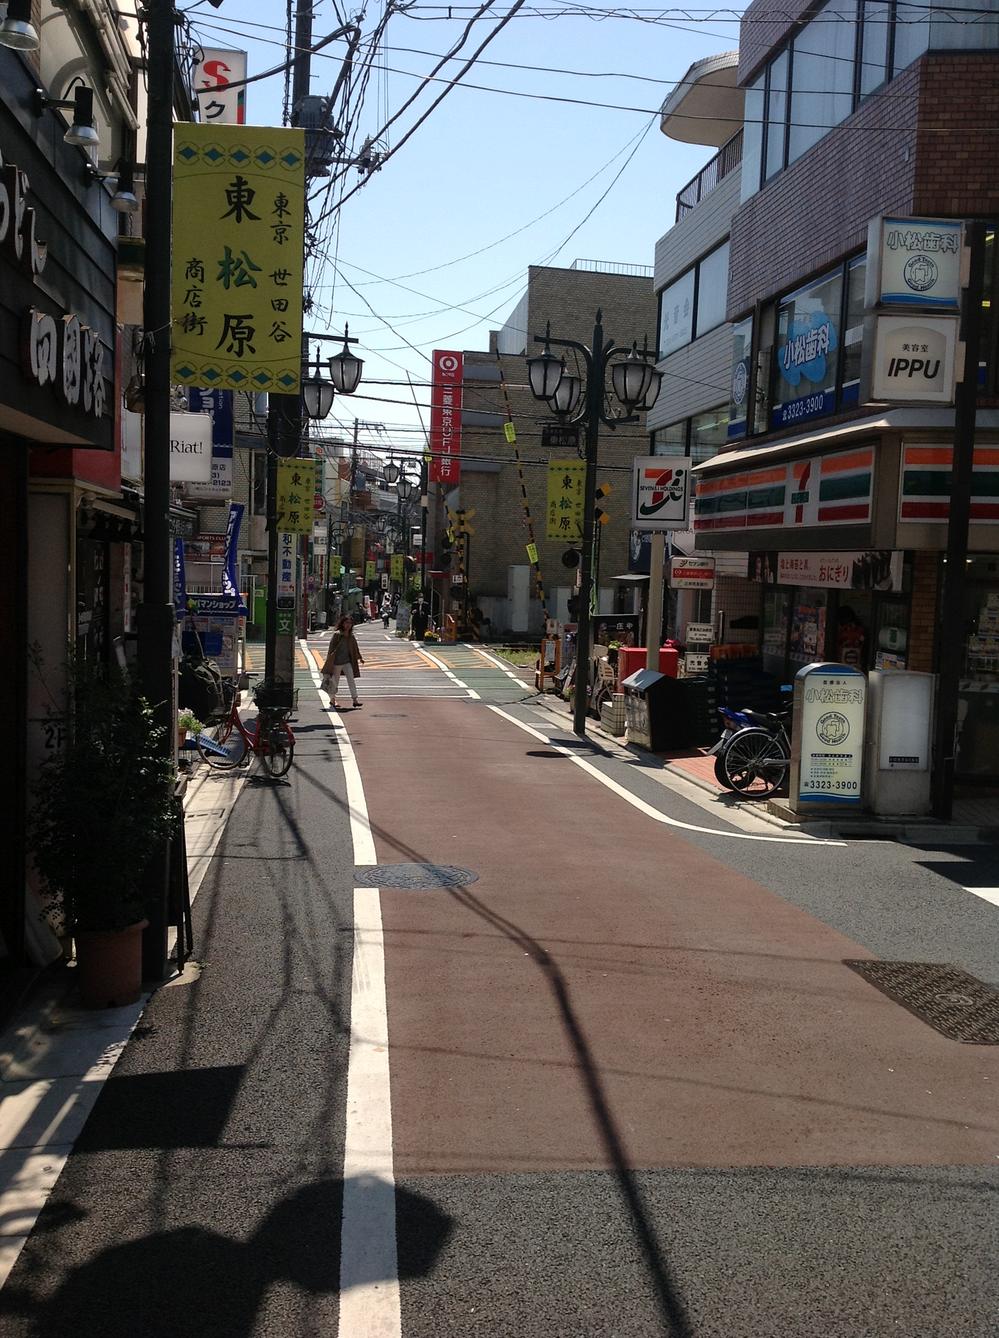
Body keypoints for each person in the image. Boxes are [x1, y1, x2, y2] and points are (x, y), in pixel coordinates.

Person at [321, 615, 364, 708]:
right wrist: (329, 661)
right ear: (342, 623)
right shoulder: (337, 635)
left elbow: (355, 648)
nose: (348, 625)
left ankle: (355, 699)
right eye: (346, 623)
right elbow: (331, 648)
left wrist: (360, 657)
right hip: (336, 662)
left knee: (351, 680)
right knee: (335, 682)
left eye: (350, 623)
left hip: (347, 662)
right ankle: (332, 700)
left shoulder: (351, 636)